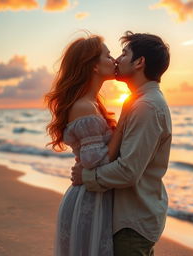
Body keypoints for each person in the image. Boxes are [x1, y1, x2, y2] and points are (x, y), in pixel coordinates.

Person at [71, 31, 172, 256]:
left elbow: (128, 171)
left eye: (124, 53)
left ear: (139, 62)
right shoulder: (137, 102)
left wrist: (85, 177)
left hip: (132, 222)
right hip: (129, 216)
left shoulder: (147, 106)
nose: (118, 59)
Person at [45, 35, 125, 256]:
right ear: (94, 66)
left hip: (94, 196)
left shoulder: (92, 104)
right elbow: (94, 160)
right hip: (89, 202)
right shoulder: (84, 107)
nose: (114, 60)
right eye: (108, 55)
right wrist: (122, 126)